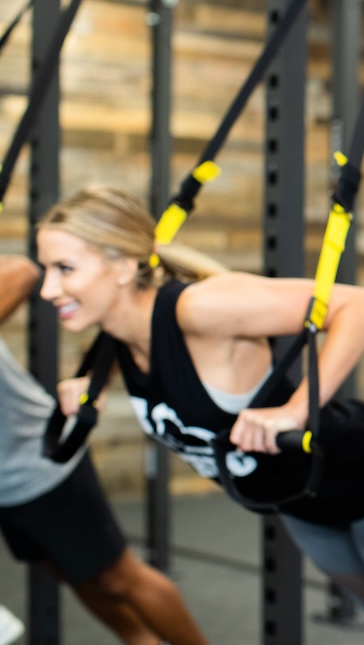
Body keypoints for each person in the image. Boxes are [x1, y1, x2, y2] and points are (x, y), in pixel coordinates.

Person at [35, 187, 364, 645]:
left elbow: (360, 305)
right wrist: (91, 389)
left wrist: (293, 411)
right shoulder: (117, 341)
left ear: (121, 266)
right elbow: (172, 381)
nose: (48, 289)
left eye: (65, 268)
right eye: (47, 270)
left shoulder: (201, 308)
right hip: (299, 500)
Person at [0, 254, 209, 645]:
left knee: (118, 576)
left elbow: (20, 270)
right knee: (69, 570)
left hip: (39, 462)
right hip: (4, 483)